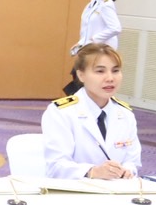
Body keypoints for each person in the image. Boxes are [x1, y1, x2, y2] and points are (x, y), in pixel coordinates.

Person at [43, 43, 139, 179]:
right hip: (75, 189)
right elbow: (56, 166)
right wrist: (92, 171)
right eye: (100, 71)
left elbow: (132, 161)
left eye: (115, 70)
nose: (110, 78)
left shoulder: (126, 114)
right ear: (81, 75)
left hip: (116, 189)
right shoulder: (61, 112)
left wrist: (127, 171)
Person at [65, 0, 119, 95]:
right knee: (77, 76)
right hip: (89, 50)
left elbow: (115, 28)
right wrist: (80, 43)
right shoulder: (93, 3)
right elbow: (88, 28)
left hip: (99, 52)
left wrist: (93, 40)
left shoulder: (106, 4)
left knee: (85, 83)